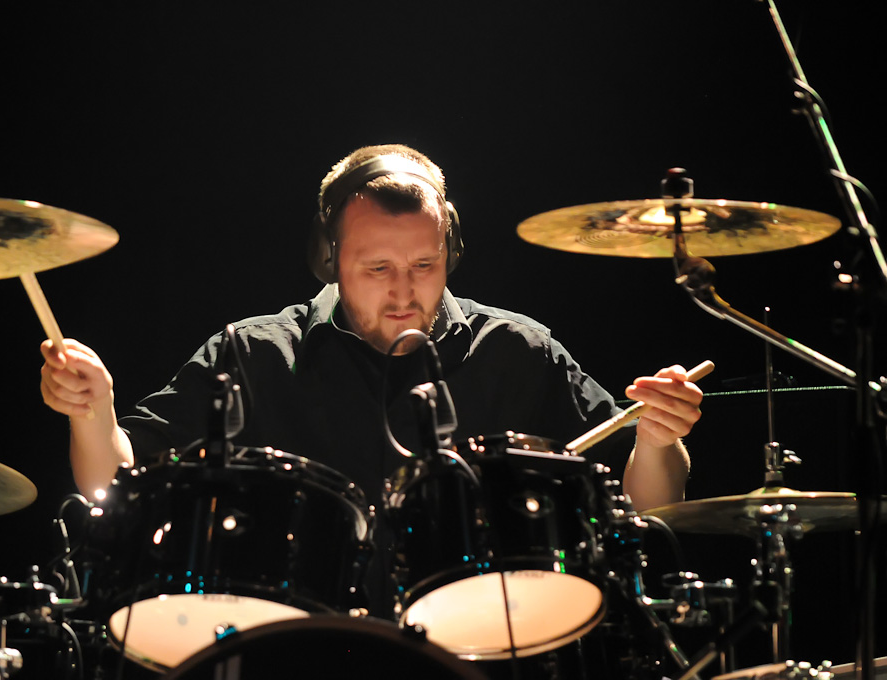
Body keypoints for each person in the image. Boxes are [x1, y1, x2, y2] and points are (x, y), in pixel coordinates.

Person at [39, 143, 703, 624]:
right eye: (377, 268)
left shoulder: (518, 351)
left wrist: (658, 441)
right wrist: (93, 413)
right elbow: (112, 489)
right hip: (301, 657)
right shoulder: (253, 354)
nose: (404, 293)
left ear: (451, 251)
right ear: (329, 260)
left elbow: (647, 508)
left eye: (424, 264)